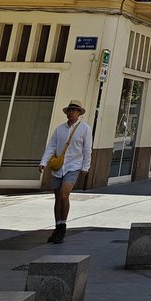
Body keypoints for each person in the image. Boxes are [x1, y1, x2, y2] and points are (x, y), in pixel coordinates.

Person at [39, 99, 92, 244]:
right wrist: (43, 162)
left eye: (74, 110)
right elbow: (51, 146)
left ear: (79, 113)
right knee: (57, 198)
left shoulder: (85, 129)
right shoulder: (59, 129)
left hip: (73, 166)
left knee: (64, 194)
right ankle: (57, 226)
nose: (71, 112)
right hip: (58, 168)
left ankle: (63, 226)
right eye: (69, 110)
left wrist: (85, 167)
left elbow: (87, 149)